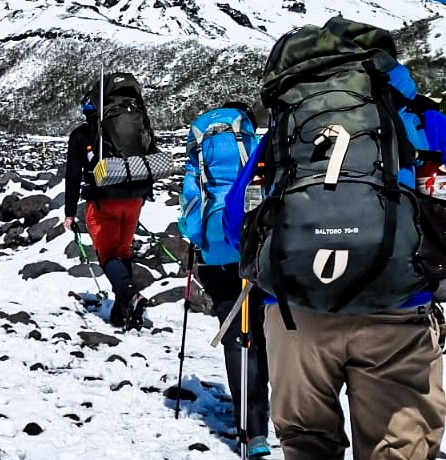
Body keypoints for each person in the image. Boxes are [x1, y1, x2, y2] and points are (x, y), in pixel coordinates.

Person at [224, 34, 446, 460]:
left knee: (306, 443)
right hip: (397, 311)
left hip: (295, 315)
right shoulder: (419, 118)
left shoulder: (288, 130)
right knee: (400, 448)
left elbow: (238, 222)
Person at [179, 103, 271, 458]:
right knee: (260, 334)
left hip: (214, 255)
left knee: (235, 338)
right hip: (252, 248)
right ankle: (260, 422)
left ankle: (247, 429)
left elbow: (188, 214)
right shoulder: (251, 146)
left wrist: (196, 240)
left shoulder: (200, 148)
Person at [63, 73, 153, 330]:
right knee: (123, 252)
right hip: (134, 198)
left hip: (104, 200)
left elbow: (73, 175)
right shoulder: (135, 124)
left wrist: (70, 213)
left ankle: (130, 295)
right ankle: (122, 312)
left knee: (107, 256)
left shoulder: (82, 134)